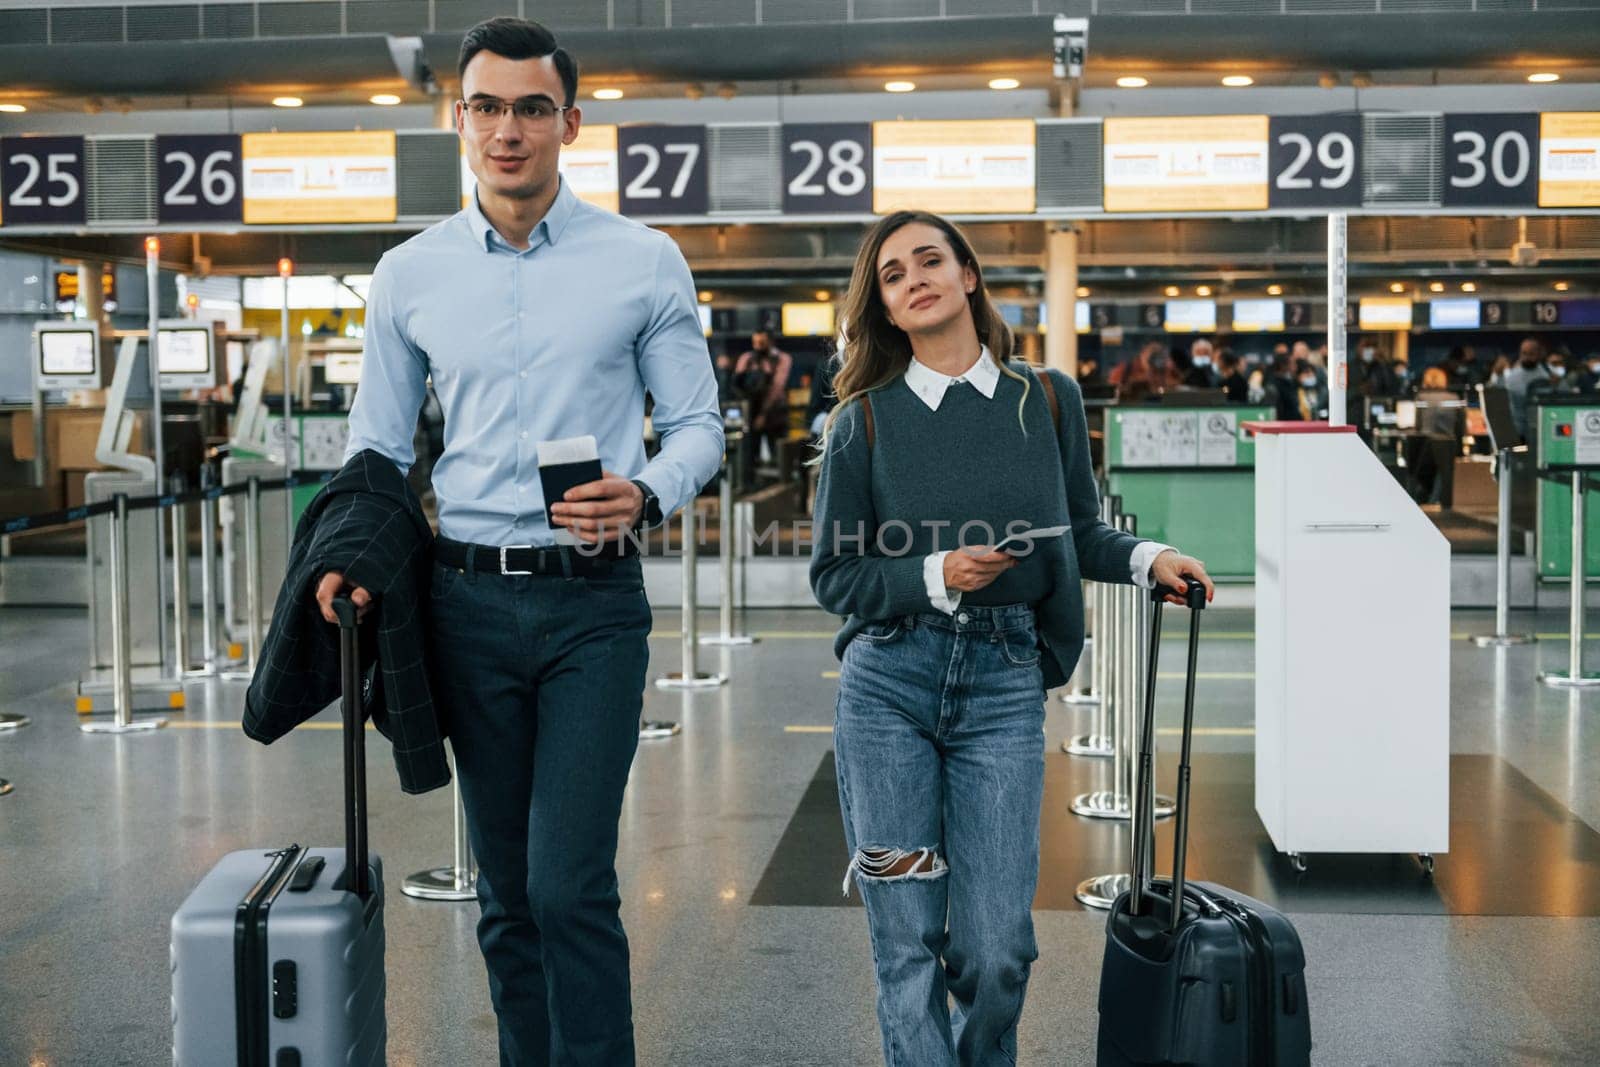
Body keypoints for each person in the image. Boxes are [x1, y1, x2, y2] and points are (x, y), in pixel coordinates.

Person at [320, 18, 723, 1065]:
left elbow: (698, 430)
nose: (509, 129)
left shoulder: (643, 260)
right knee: (505, 890)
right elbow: (376, 445)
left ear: (570, 124)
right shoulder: (410, 273)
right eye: (488, 107)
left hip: (593, 603)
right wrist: (351, 559)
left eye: (532, 108)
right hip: (464, 603)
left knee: (566, 881)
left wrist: (644, 490)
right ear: (459, 119)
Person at [809, 209, 1214, 1067]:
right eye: (892, 274)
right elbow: (834, 575)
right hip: (889, 687)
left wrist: (1151, 558)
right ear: (881, 307)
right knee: (907, 937)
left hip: (1001, 683)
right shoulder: (861, 422)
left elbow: (1079, 528)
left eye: (930, 260)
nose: (913, 278)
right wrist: (933, 573)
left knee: (997, 950)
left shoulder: (1047, 399)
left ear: (969, 277)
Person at [733, 329, 794, 479]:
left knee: (778, 455)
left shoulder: (782, 359)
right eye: (755, 342)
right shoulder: (747, 359)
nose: (758, 346)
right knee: (749, 456)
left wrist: (763, 414)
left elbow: (777, 387)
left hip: (775, 414)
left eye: (762, 343)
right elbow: (737, 383)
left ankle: (779, 487)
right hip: (750, 413)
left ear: (770, 342)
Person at [1502, 338, 1551, 441]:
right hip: (1515, 431)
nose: (1527, 357)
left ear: (1538, 354)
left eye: (1531, 353)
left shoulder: (1544, 377)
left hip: (1538, 432)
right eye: (1524, 353)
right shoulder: (1512, 376)